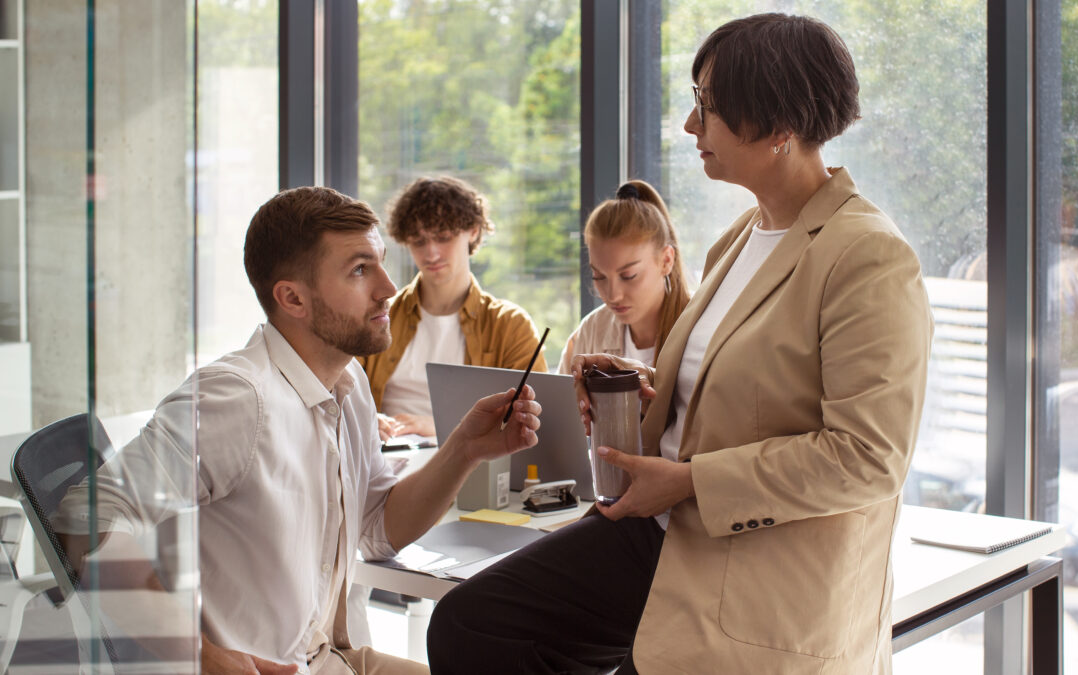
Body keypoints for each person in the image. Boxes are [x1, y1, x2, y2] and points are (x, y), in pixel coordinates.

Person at [427, 13, 933, 674]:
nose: (692, 127)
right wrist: (634, 395)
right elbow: (728, 398)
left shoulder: (867, 257)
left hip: (750, 562)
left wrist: (689, 481)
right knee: (471, 625)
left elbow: (868, 457)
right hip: (661, 532)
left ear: (778, 126)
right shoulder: (740, 239)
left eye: (708, 108)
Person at [54, 186, 542, 674]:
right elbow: (83, 519)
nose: (388, 288)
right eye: (359, 270)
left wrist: (463, 450)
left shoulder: (347, 381)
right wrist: (204, 658)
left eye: (380, 263)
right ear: (292, 298)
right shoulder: (236, 398)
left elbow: (375, 528)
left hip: (328, 657)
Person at [359, 176, 547, 441]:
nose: (431, 253)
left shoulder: (510, 324)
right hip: (386, 459)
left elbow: (533, 423)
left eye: (443, 237)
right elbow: (339, 395)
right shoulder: (379, 315)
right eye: (419, 241)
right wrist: (365, 419)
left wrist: (437, 426)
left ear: (473, 230)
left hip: (470, 465)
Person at [557, 180, 691, 373]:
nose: (613, 296)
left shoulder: (703, 327)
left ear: (666, 260)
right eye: (599, 276)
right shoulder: (591, 330)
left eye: (628, 276)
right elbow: (561, 400)